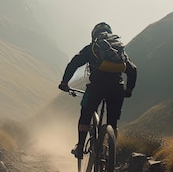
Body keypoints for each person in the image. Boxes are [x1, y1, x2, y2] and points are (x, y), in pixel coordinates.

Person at [58, 22, 137, 158]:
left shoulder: (91, 48)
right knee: (113, 122)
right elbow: (132, 70)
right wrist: (128, 90)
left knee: (86, 113)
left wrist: (64, 82)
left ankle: (81, 146)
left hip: (96, 88)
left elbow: (74, 63)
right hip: (117, 89)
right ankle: (111, 151)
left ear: (94, 35)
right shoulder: (119, 51)